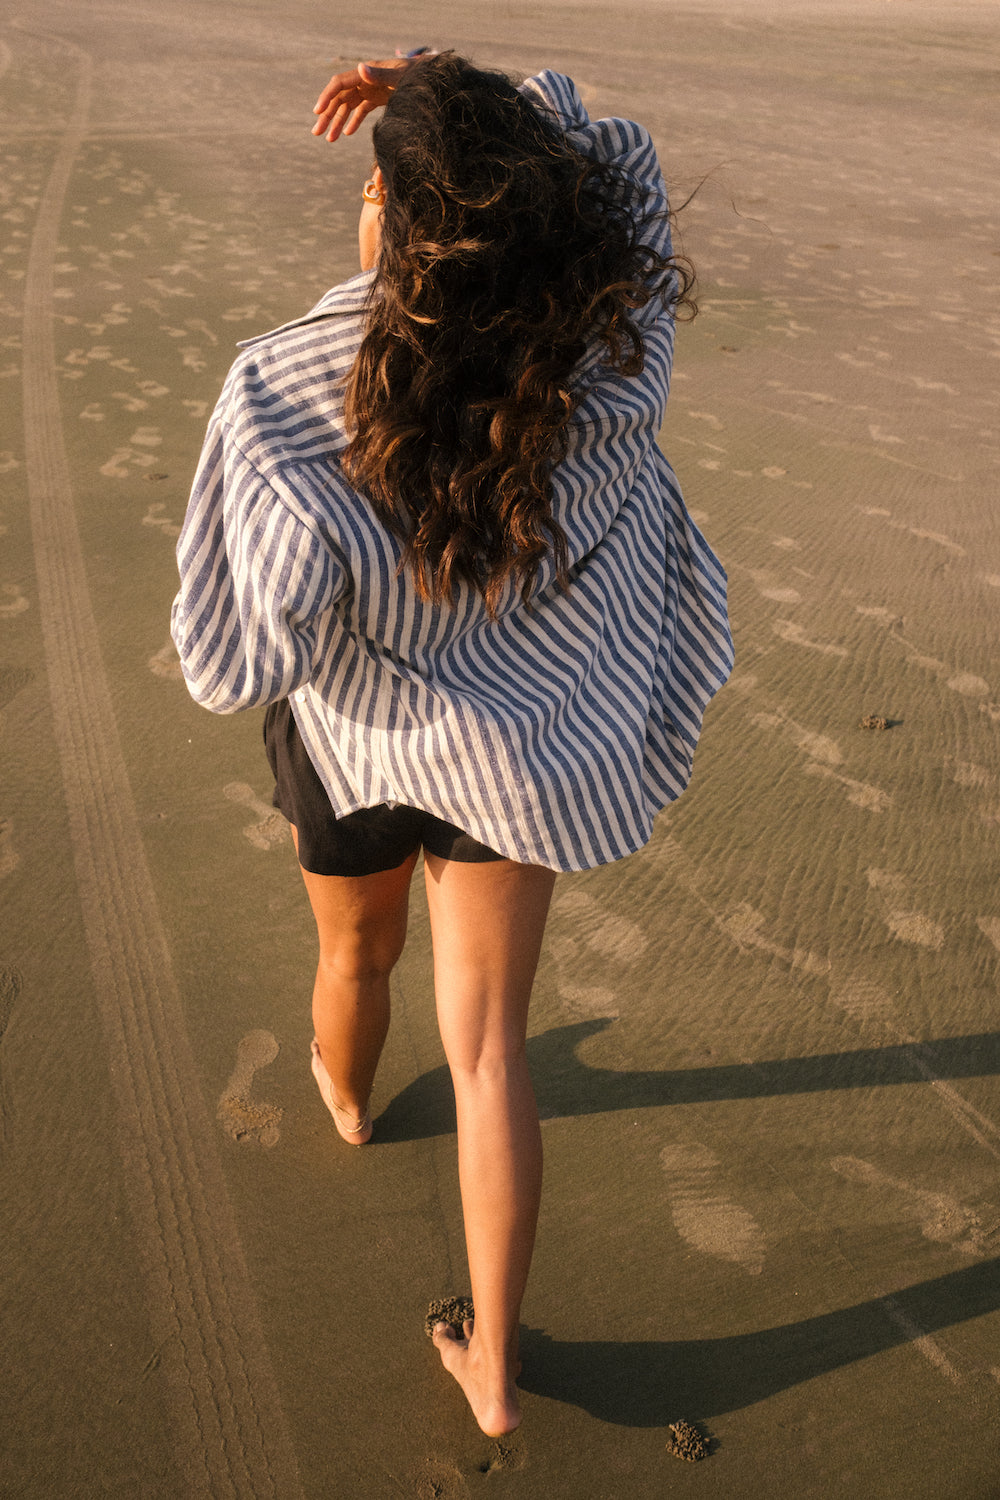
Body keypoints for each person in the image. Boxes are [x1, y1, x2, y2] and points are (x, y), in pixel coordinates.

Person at [171, 50, 732, 1437]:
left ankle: (349, 1108)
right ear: (540, 215)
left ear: (390, 216)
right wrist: (445, 85)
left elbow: (233, 658)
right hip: (524, 756)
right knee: (488, 1051)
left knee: (355, 957)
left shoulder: (284, 387)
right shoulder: (609, 360)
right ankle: (490, 1365)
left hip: (359, 751)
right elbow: (632, 151)